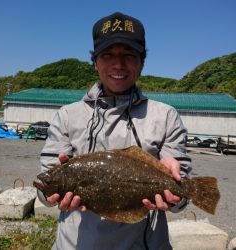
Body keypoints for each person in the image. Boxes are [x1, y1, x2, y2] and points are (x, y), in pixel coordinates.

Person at [38, 12, 192, 250]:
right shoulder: (67, 115)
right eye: (108, 55)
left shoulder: (166, 116)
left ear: (141, 62)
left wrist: (178, 192)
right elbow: (44, 189)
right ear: (95, 61)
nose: (118, 65)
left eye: (129, 55)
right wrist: (50, 196)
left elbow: (180, 199)